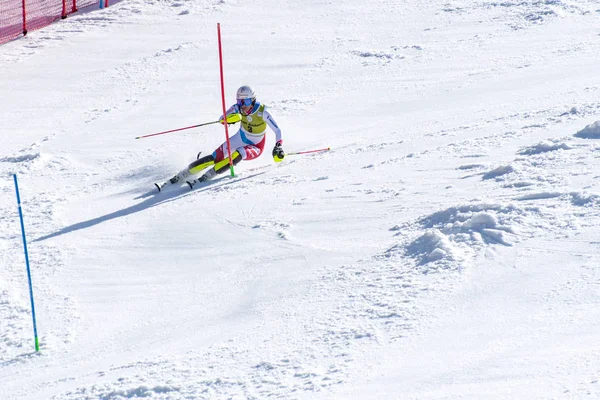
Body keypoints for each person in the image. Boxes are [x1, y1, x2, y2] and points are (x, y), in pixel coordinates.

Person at [156, 85, 285, 191]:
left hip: (256, 146)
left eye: (245, 102)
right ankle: (182, 174)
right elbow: (222, 118)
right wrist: (227, 119)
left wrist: (278, 146)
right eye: (240, 101)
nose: (243, 105)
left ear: (252, 100)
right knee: (215, 156)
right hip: (241, 137)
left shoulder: (263, 112)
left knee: (239, 152)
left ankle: (208, 176)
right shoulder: (238, 108)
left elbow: (277, 130)